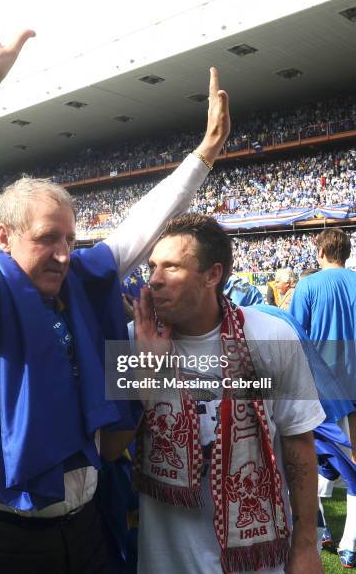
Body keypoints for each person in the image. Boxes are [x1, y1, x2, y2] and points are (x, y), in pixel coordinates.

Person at [0, 0, 230, 574]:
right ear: (4, 239)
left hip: (83, 526)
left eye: (70, 238)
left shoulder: (82, 287)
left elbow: (138, 229)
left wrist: (204, 157)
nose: (65, 254)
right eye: (47, 238)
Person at [132, 214, 325, 574]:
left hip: (258, 559)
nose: (154, 280)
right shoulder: (132, 338)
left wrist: (306, 546)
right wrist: (146, 371)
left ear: (212, 275)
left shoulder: (272, 337)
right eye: (152, 266)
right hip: (166, 560)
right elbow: (112, 447)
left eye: (171, 267)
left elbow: (298, 441)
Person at [290, 227, 356, 568]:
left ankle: (329, 532)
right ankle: (347, 541)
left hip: (323, 388)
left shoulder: (308, 285)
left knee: (306, 457)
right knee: (346, 460)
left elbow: (294, 335)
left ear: (320, 253)